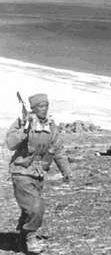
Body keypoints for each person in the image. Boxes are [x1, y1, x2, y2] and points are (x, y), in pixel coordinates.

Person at [6, 93, 71, 254]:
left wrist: (66, 171)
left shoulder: (51, 127)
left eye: (46, 105)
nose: (44, 109)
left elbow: (58, 150)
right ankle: (30, 236)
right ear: (33, 109)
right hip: (21, 172)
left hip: (39, 174)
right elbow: (10, 143)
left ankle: (20, 240)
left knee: (28, 210)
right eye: (41, 106)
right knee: (36, 208)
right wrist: (24, 130)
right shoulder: (23, 123)